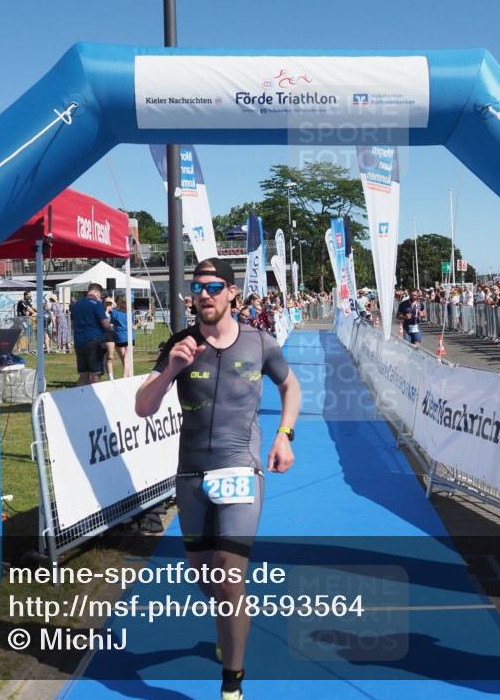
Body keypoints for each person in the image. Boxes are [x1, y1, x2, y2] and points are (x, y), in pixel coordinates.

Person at [134, 257, 301, 700]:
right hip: (190, 474)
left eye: (212, 286)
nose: (203, 294)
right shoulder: (179, 343)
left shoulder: (260, 343)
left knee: (229, 574)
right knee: (207, 580)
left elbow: (290, 387)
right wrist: (170, 369)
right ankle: (231, 624)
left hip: (240, 469)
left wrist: (284, 435)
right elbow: (142, 407)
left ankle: (232, 683)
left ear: (231, 293)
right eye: (197, 287)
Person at [71, 283, 112, 386]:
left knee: (83, 374)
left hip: (79, 342)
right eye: (100, 295)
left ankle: (79, 397)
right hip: (94, 342)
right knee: (95, 374)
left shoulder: (76, 305)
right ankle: (97, 398)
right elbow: (105, 323)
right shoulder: (97, 304)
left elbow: (72, 324)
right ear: (98, 293)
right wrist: (110, 328)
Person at [111, 295, 135, 379]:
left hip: (119, 336)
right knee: (126, 359)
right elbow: (132, 324)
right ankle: (126, 377)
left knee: (124, 359)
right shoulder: (131, 312)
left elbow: (112, 322)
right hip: (129, 336)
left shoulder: (114, 312)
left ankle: (126, 377)